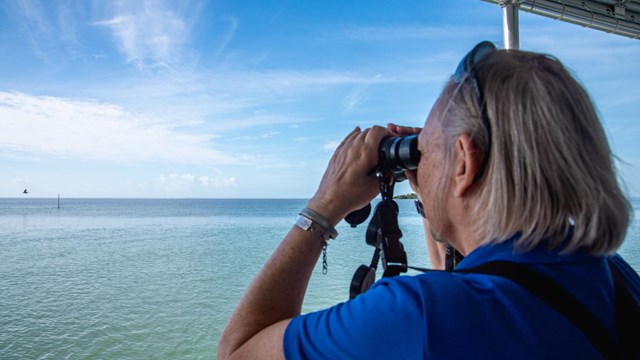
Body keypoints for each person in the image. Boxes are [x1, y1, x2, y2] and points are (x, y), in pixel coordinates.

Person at [218, 41, 640, 359]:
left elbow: (239, 351)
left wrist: (325, 203)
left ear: (465, 165)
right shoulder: (614, 277)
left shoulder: (415, 314)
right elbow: (462, 286)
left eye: (429, 147)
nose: (421, 160)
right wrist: (434, 193)